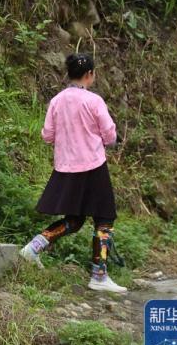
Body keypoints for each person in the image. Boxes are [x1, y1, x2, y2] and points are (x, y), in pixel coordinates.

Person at [20, 53, 127, 295]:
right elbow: (109, 136)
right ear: (90, 74)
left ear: (69, 74)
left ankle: (34, 247)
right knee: (104, 219)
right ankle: (99, 276)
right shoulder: (94, 101)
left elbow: (47, 135)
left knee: (75, 219)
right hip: (93, 165)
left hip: (65, 166)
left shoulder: (57, 101)